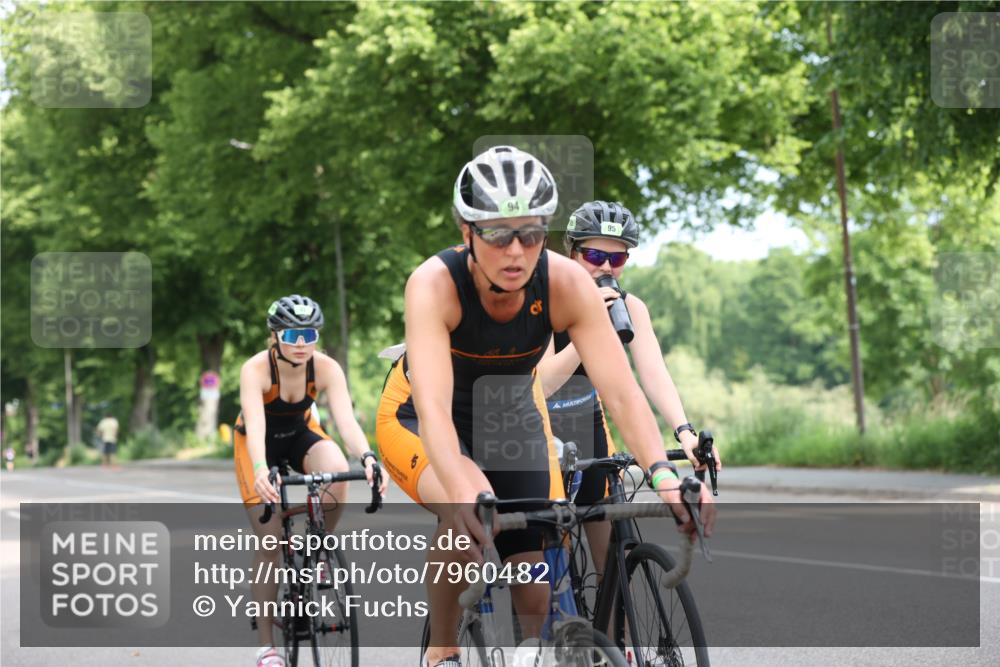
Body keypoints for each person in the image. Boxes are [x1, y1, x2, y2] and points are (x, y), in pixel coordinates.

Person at [375, 146, 716, 667]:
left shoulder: (565, 283)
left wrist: (664, 474)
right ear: (467, 232)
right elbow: (437, 412)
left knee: (534, 586)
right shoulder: (434, 284)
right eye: (498, 233)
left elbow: (622, 392)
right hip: (421, 416)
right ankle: (441, 649)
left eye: (531, 233)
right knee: (463, 511)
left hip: (509, 415)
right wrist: (464, 486)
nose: (516, 251)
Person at [539, 200, 723, 579]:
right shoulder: (545, 301)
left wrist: (684, 430)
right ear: (571, 253)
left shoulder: (629, 307)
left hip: (588, 429)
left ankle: (619, 639)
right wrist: (588, 331)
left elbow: (653, 373)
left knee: (614, 564)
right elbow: (541, 384)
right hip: (539, 432)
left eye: (617, 259)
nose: (606, 267)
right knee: (550, 557)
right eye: (594, 255)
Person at [233, 294, 388, 667]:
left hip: (301, 433)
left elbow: (346, 421)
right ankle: (268, 647)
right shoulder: (256, 369)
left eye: (308, 334)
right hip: (257, 444)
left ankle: (319, 545)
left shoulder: (326, 367)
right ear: (275, 336)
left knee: (336, 471)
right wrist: (258, 469)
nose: (301, 343)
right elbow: (255, 425)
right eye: (291, 334)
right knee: (270, 541)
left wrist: (367, 456)